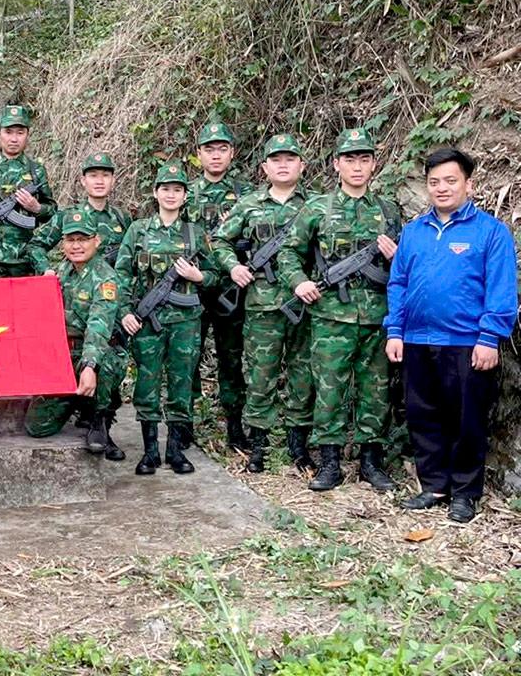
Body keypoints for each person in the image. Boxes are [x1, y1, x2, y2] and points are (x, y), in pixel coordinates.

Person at [385, 148, 518, 522]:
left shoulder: (490, 232)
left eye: (450, 180)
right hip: (416, 340)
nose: (441, 188)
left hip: (466, 343)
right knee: (422, 415)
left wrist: (490, 337)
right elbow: (398, 283)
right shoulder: (413, 232)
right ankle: (434, 485)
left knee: (467, 419)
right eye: (434, 182)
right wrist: (395, 330)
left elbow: (502, 289)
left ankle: (464, 492)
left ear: (468, 184)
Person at [279, 128, 401, 493]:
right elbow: (288, 251)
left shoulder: (388, 210)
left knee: (375, 391)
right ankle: (330, 462)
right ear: (336, 164)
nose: (357, 166)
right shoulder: (317, 208)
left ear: (374, 164)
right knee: (329, 390)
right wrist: (299, 282)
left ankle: (370, 462)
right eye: (350, 159)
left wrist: (398, 260)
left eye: (364, 159)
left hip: (377, 316)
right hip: (331, 316)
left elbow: (409, 265)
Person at [213, 134, 314, 474]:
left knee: (302, 374)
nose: (283, 165)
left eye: (290, 158)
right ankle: (259, 445)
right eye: (276, 159)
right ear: (264, 167)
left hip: (304, 304)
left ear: (302, 164)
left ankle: (298, 446)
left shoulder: (316, 205)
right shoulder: (249, 204)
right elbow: (219, 240)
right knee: (260, 375)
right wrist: (234, 267)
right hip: (262, 304)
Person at [114, 161, 218, 475]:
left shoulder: (194, 233)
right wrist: (125, 313)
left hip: (186, 321)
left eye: (177, 190)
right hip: (147, 322)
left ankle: (175, 450)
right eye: (165, 189)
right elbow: (120, 275)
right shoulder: (138, 230)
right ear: (156, 193)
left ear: (185, 196)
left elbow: (216, 275)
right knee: (146, 383)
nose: (171, 195)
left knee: (182, 382)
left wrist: (199, 276)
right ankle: (149, 453)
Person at [24, 212, 124, 460]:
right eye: (70, 240)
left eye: (83, 239)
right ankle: (77, 403)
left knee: (105, 365)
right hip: (64, 356)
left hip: (94, 352)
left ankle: (99, 419)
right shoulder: (62, 270)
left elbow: (98, 327)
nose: (77, 246)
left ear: (96, 241)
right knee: (37, 427)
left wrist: (89, 366)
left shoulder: (105, 278)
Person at [185, 121, 253, 450]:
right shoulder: (184, 192)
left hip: (232, 289)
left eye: (222, 149)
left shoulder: (247, 194)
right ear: (199, 154)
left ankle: (235, 426)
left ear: (232, 153)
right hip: (191, 290)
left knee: (231, 358)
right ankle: (186, 423)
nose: (216, 155)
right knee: (188, 357)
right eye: (209, 149)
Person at [0, 105, 56, 278]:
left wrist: (36, 208)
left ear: (28, 135)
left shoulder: (36, 170)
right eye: (8, 132)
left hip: (24, 256)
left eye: (20, 132)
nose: (14, 139)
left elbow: (52, 210)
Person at [26, 152, 132, 273]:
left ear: (113, 180)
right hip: (75, 287)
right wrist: (46, 269)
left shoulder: (122, 218)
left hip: (111, 287)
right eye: (93, 176)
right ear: (83, 180)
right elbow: (35, 246)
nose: (100, 181)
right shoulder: (67, 215)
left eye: (105, 175)